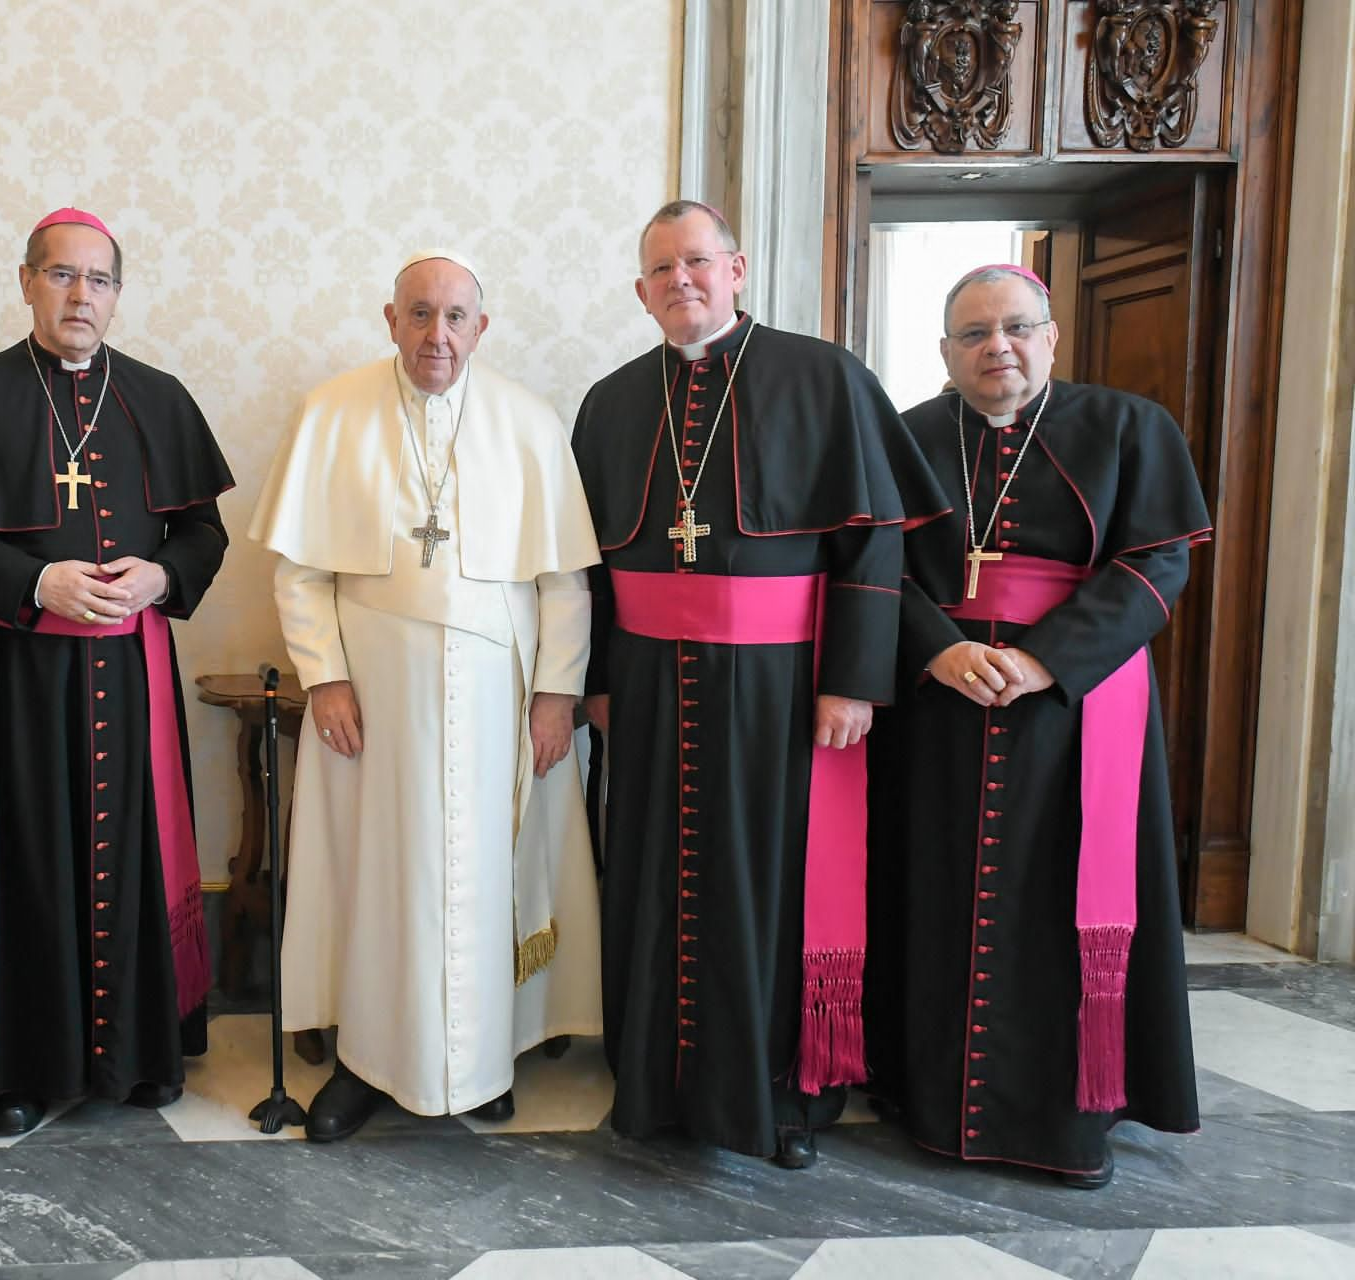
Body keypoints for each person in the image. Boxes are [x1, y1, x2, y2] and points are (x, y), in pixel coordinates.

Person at [572, 200, 945, 1169]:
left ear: (737, 269)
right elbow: (590, 571)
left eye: (697, 261)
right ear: (640, 290)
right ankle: (652, 1084)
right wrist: (597, 682)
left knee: (767, 882)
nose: (680, 280)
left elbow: (872, 541)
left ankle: (777, 1097)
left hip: (780, 688)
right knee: (651, 875)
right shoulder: (611, 401)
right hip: (650, 687)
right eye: (660, 269)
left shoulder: (824, 377)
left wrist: (854, 679)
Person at [249, 250, 603, 1141]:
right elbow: (298, 571)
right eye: (419, 314)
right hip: (371, 693)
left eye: (454, 317)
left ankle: (482, 1059)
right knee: (375, 869)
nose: (436, 334)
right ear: (390, 319)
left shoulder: (527, 419)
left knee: (492, 868)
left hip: (501, 692)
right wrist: (323, 675)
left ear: (481, 327)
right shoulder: (333, 411)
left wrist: (556, 695)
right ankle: (369, 1063)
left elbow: (564, 579)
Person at [0, 207, 232, 1137]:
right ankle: (13, 1068)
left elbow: (205, 531)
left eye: (99, 280)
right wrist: (33, 578)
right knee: (21, 859)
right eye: (62, 276)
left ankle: (140, 1055)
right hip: (18, 673)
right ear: (26, 282)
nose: (80, 295)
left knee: (135, 854)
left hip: (131, 675)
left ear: (119, 295)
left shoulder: (159, 398)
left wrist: (163, 574)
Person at [874, 263, 1207, 1188]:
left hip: (1076, 712)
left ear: (1052, 336)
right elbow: (873, 570)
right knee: (938, 897)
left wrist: (1042, 660)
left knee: (1059, 910)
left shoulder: (1127, 427)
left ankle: (1065, 1116)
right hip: (941, 710)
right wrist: (937, 648)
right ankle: (929, 1098)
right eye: (974, 334)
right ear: (945, 352)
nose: (998, 349)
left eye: (1016, 328)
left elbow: (1155, 566)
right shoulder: (909, 437)